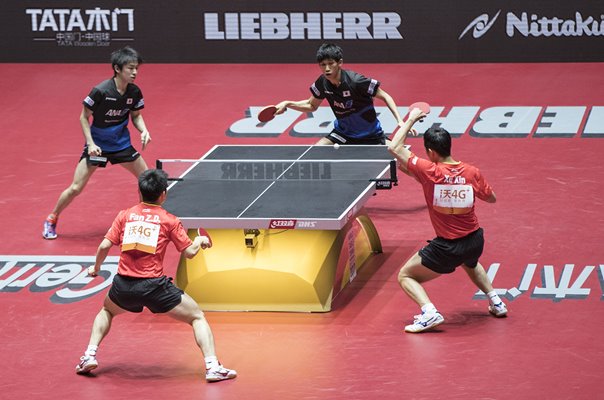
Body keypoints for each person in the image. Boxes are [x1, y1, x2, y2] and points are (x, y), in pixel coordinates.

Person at [75, 169, 237, 382]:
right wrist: (199, 241)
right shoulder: (169, 220)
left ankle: (89, 356)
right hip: (154, 287)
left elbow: (105, 244)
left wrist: (95, 268)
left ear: (139, 192)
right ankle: (212, 366)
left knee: (107, 310)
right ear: (163, 194)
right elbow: (189, 253)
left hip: (123, 285)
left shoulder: (125, 215)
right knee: (197, 316)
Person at [387, 107, 508, 333]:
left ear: (431, 151)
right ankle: (496, 302)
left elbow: (394, 147)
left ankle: (429, 313)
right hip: (474, 240)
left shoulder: (429, 170)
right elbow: (491, 199)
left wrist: (412, 117)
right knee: (470, 262)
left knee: (405, 275)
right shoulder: (472, 172)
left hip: (447, 248)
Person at [43, 46, 151, 240]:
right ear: (117, 69)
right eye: (130, 68)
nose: (135, 72)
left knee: (146, 181)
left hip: (121, 145)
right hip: (98, 147)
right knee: (76, 188)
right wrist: (90, 144)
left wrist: (144, 130)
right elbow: (84, 117)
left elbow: (136, 115)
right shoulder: (100, 91)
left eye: (136, 68)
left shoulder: (134, 92)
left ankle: (142, 220)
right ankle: (52, 218)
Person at [274, 43, 404, 145]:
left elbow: (385, 96)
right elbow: (311, 105)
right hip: (343, 134)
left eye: (331, 63)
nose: (327, 68)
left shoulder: (356, 81)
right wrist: (287, 103)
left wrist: (400, 121)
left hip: (371, 135)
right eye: (323, 65)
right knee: (315, 154)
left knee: (400, 160)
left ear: (340, 63)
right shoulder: (322, 82)